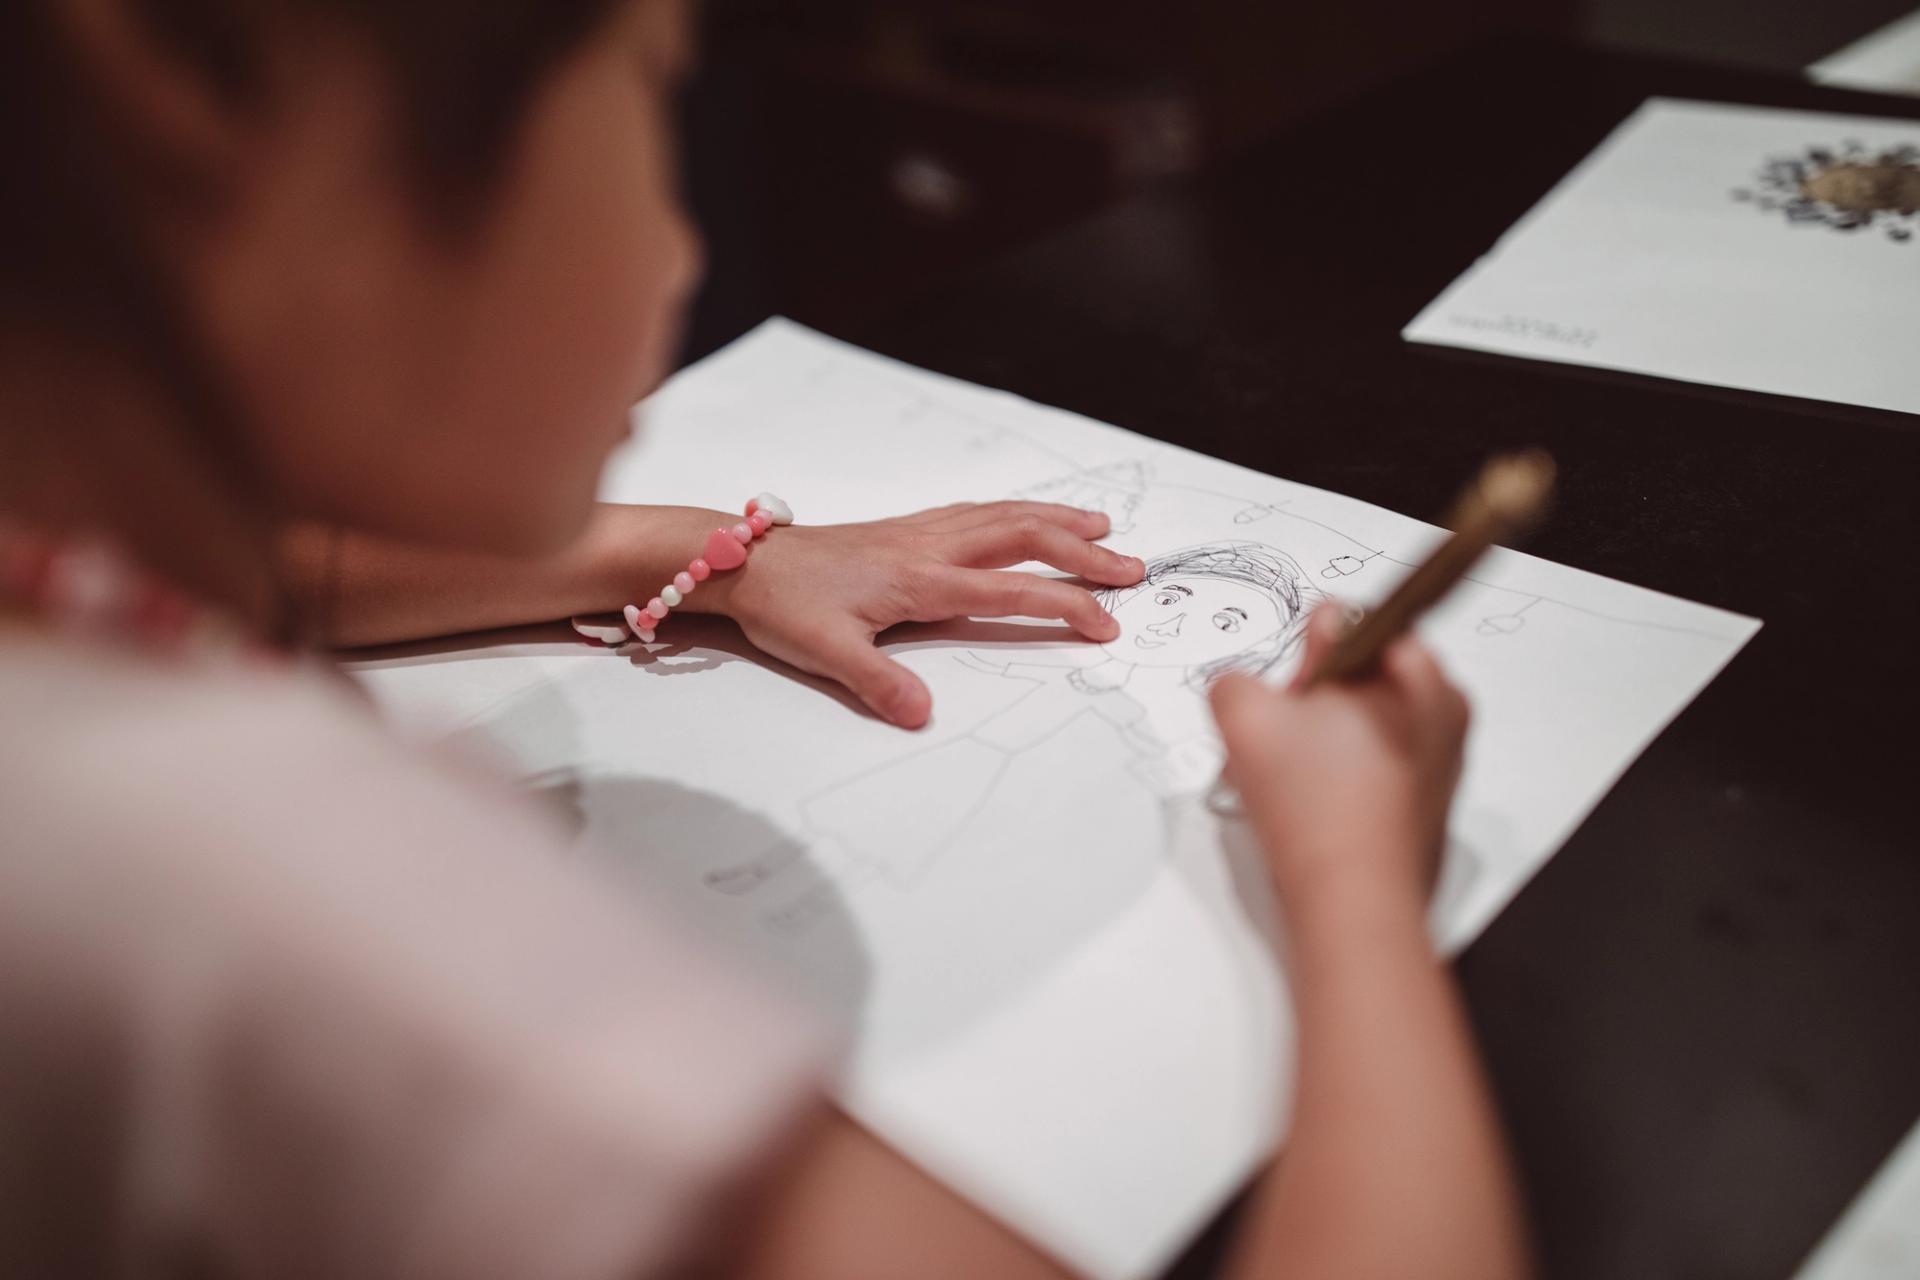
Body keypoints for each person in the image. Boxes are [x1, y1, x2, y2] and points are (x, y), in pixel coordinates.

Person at [0, 1, 1533, 1276]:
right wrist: (1353, 878)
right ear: (204, 100)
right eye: (646, 91)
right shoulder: (266, 894)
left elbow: (283, 566)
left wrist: (716, 560)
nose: (680, 254)